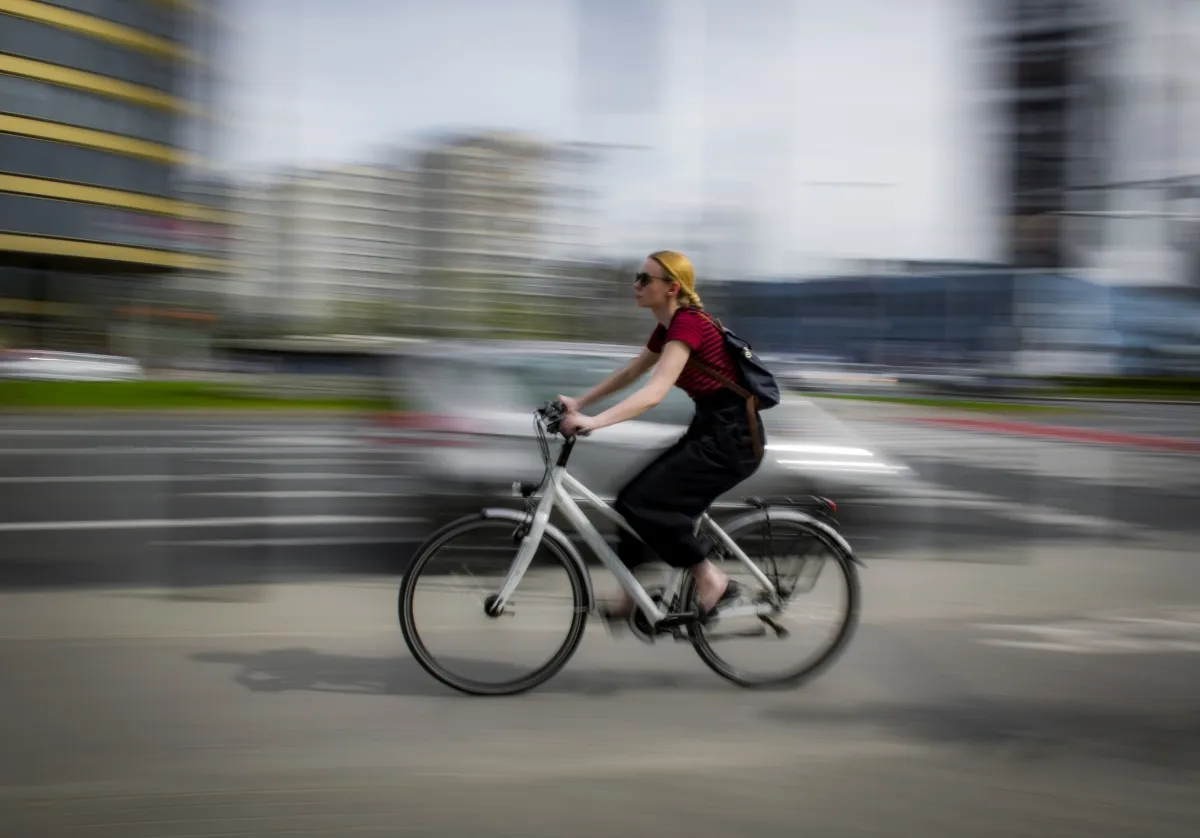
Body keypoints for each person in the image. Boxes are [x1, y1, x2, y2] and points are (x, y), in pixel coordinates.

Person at [559, 250, 765, 623]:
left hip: (732, 439)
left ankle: (714, 583)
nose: (635, 285)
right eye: (637, 278)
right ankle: (631, 597)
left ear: (672, 288)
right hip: (711, 430)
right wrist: (579, 401)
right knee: (629, 502)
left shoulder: (688, 325)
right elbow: (631, 373)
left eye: (644, 279)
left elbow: (654, 393)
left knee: (648, 506)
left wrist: (594, 422)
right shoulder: (670, 326)